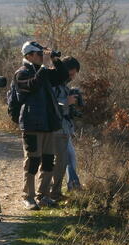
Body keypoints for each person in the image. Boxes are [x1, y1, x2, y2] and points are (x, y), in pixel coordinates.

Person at [15, 41, 68, 210]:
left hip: (48, 124)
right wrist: (44, 69)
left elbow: (62, 77)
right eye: (38, 54)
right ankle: (28, 197)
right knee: (32, 161)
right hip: (32, 124)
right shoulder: (21, 73)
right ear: (28, 56)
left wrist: (54, 59)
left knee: (47, 161)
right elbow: (32, 86)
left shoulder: (43, 72)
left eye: (41, 54)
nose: (41, 57)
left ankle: (43, 195)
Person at [50, 56, 80, 202]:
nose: (73, 77)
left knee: (68, 158)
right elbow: (51, 105)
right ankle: (58, 190)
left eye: (75, 74)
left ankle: (68, 187)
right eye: (71, 73)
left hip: (65, 128)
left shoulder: (64, 85)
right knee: (61, 159)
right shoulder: (54, 83)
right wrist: (66, 102)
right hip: (56, 128)